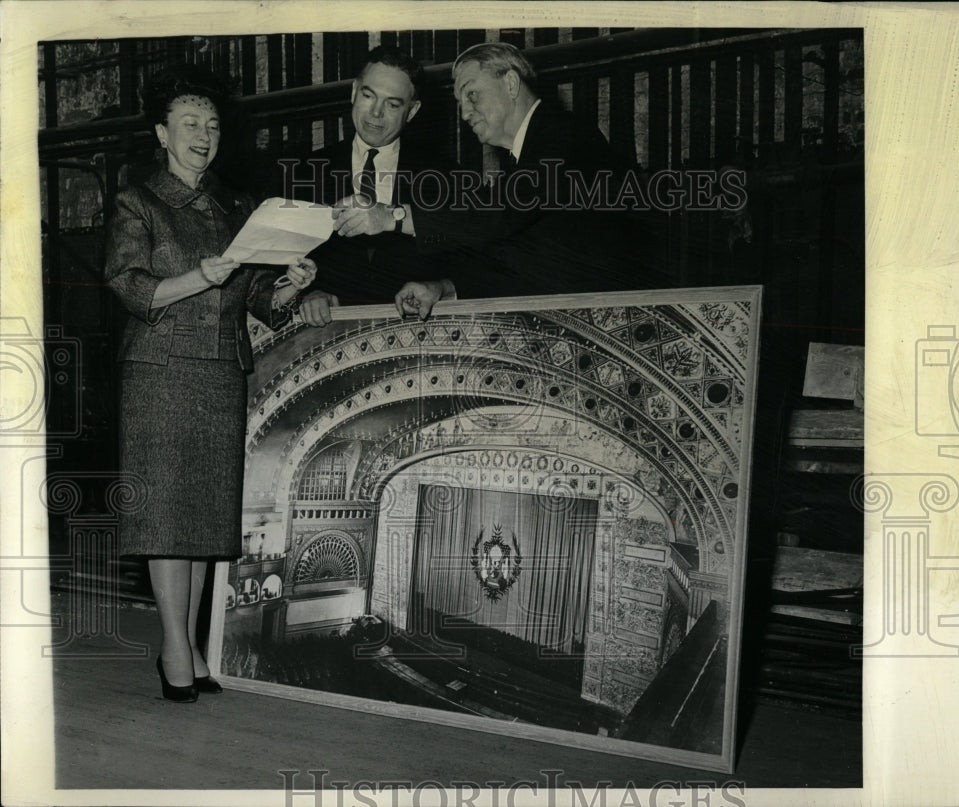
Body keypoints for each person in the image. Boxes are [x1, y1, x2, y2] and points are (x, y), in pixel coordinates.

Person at [104, 64, 316, 702]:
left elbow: (253, 293)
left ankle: (192, 646)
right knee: (168, 517)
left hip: (221, 369)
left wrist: (291, 284)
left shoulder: (234, 207)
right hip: (161, 370)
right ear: (161, 134)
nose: (204, 133)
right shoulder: (136, 200)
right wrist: (201, 276)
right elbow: (129, 285)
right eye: (190, 123)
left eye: (213, 124)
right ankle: (174, 648)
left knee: (201, 518)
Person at [332, 41, 659, 318]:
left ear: (511, 84)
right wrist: (443, 288)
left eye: (472, 95)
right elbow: (516, 256)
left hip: (623, 319)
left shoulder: (561, 137)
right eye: (460, 103)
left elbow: (496, 216)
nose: (464, 114)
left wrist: (391, 215)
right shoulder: (530, 152)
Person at [276, 46, 458, 327]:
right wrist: (307, 293)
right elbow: (278, 265)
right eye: (368, 95)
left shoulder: (445, 175)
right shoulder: (303, 171)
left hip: (422, 338)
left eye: (393, 104)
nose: (375, 113)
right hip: (329, 338)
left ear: (412, 111)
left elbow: (473, 261)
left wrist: (440, 287)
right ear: (353, 92)